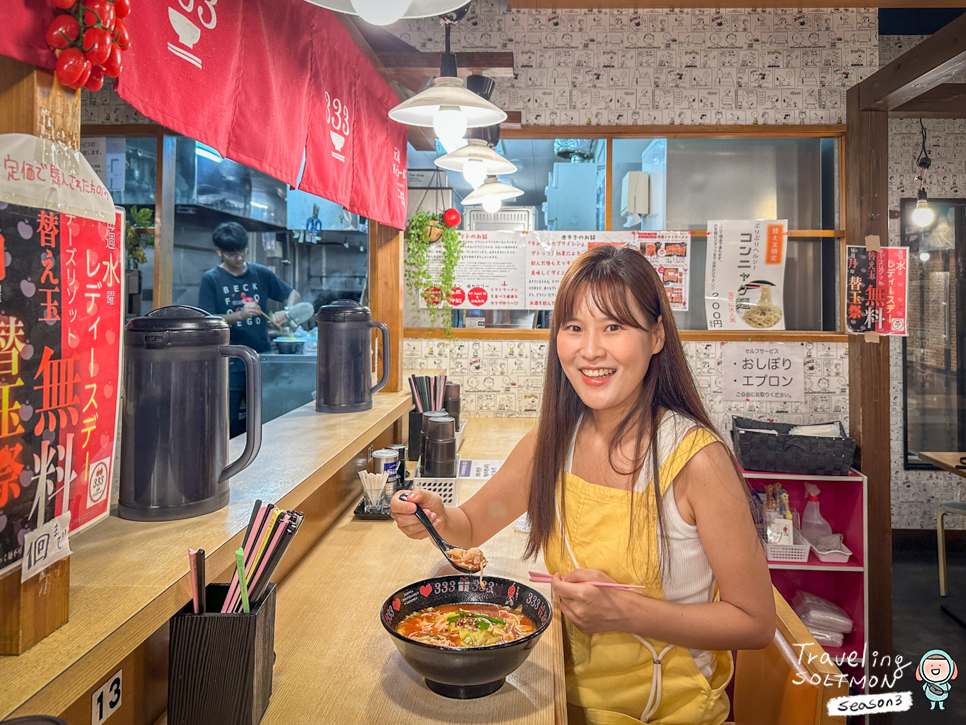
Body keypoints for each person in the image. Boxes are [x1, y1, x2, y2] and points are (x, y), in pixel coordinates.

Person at [390, 245, 775, 724]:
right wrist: (434, 516)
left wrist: (629, 613)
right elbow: (468, 527)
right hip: (559, 699)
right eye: (574, 328)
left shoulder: (698, 462)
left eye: (614, 327)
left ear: (656, 336)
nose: (590, 350)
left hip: (669, 713)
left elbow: (756, 621)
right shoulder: (551, 443)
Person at [198, 221, 300, 437]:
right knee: (229, 423)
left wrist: (287, 311)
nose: (241, 257)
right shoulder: (212, 279)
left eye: (243, 251)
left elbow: (292, 294)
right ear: (220, 252)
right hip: (228, 361)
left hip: (260, 358)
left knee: (265, 420)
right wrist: (239, 315)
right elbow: (207, 321)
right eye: (234, 254)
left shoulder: (260, 273)